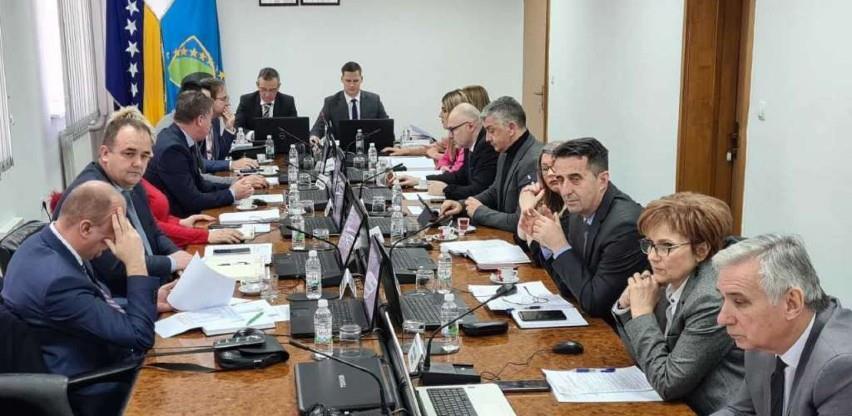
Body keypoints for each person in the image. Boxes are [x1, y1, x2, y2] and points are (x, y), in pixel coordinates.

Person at [1, 181, 174, 415]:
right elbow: (139, 337)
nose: (111, 247)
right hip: (91, 386)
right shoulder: (57, 281)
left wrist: (148, 301)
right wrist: (135, 263)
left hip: (87, 349)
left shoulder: (42, 244)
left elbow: (90, 303)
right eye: (109, 238)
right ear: (85, 228)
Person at [612, 192, 744, 415]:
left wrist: (642, 314)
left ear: (701, 251)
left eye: (666, 246)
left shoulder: (710, 298)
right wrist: (627, 308)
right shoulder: (676, 277)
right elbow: (645, 360)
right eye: (650, 244)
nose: (653, 256)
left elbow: (668, 383)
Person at [54, 107, 191, 295]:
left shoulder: (129, 179)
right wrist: (171, 263)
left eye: (145, 156)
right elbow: (115, 267)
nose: (138, 163)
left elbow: (153, 231)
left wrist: (177, 256)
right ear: (105, 154)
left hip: (155, 284)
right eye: (129, 153)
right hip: (118, 297)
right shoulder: (93, 194)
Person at [711, 234, 852, 416]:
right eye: (722, 299)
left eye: (739, 301)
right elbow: (741, 411)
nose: (722, 318)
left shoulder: (841, 366)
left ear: (791, 303)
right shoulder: (761, 343)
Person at [519, 138, 647, 321]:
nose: (565, 190)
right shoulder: (580, 208)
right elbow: (568, 286)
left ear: (602, 180)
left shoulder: (625, 227)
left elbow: (595, 303)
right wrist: (547, 243)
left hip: (614, 330)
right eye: (560, 179)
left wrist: (559, 246)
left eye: (575, 179)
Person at [439, 96, 542, 232]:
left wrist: (480, 212)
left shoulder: (534, 161)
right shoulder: (505, 152)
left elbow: (521, 221)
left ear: (511, 128)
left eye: (491, 130)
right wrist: (462, 205)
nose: (487, 138)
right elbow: (494, 191)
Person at [145, 91, 255, 217]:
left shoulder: (179, 136)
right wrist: (232, 194)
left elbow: (199, 183)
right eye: (210, 119)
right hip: (176, 219)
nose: (211, 124)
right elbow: (192, 200)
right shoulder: (172, 149)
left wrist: (233, 185)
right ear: (200, 120)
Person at [397, 103, 497, 200]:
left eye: (452, 130)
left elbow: (479, 191)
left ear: (470, 126)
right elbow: (459, 177)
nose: (450, 136)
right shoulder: (470, 144)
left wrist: (445, 190)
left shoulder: (487, 147)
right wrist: (421, 181)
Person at [141, 179, 243, 248]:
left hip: (168, 243)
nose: (138, 163)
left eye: (144, 156)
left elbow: (156, 217)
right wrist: (206, 236)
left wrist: (180, 222)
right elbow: (151, 226)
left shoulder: (138, 181)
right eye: (132, 155)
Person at [309, 61, 388, 141]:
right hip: (342, 147)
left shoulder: (374, 100)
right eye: (348, 81)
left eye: (355, 81)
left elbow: (387, 125)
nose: (352, 85)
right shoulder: (331, 102)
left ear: (361, 79)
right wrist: (314, 137)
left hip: (369, 146)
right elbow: (319, 126)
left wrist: (393, 143)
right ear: (342, 79)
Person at [234, 67, 298, 132]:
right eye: (263, 89)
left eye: (272, 90)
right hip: (252, 138)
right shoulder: (246, 101)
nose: (267, 95)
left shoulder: (288, 102)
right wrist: (253, 135)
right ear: (257, 85)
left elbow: (294, 128)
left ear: (278, 86)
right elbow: (237, 127)